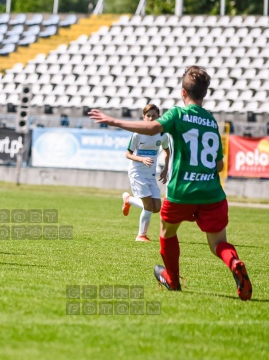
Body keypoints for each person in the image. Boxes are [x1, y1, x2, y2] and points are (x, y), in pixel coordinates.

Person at [89, 65, 252, 301]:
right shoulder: (211, 121)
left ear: (183, 93)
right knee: (218, 242)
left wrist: (115, 121)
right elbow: (219, 166)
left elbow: (155, 127)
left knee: (166, 233)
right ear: (204, 94)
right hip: (212, 194)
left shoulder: (178, 114)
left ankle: (173, 280)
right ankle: (234, 262)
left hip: (182, 191)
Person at [121, 104, 170, 242]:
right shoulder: (137, 134)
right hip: (137, 172)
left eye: (153, 116)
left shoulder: (162, 134)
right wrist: (141, 159)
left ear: (158, 117)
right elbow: (128, 154)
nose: (150, 118)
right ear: (144, 117)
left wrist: (166, 169)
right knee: (148, 206)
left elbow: (167, 151)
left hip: (151, 174)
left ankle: (128, 200)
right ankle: (141, 235)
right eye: (148, 116)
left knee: (156, 208)